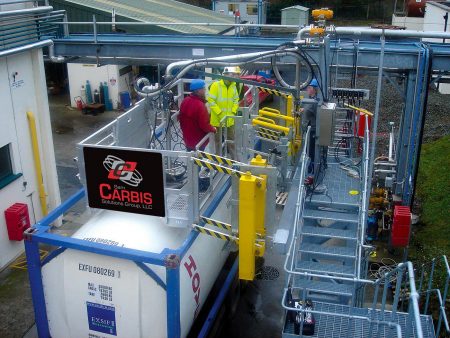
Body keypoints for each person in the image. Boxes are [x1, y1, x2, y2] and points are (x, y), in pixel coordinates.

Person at [207, 66, 241, 159]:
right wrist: (219, 113)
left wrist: (233, 112)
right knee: (217, 142)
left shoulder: (233, 86)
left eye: (236, 75)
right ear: (226, 75)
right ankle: (218, 159)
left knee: (231, 141)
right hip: (217, 120)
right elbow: (211, 101)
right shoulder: (216, 85)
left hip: (229, 120)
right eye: (233, 74)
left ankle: (234, 160)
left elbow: (236, 100)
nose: (235, 76)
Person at [179, 79, 216, 152]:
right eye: (203, 88)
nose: (205, 90)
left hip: (187, 139)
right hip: (198, 140)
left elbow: (180, 118)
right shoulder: (200, 105)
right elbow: (204, 125)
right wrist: (213, 129)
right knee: (197, 159)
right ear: (198, 91)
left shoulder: (185, 100)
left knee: (190, 157)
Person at [300, 78, 320, 184]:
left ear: (315, 89)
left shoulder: (316, 102)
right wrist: (302, 110)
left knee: (311, 153)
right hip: (308, 130)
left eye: (310, 87)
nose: (308, 88)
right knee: (308, 152)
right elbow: (307, 109)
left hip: (312, 131)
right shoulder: (309, 98)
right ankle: (309, 172)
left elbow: (318, 116)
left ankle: (311, 175)